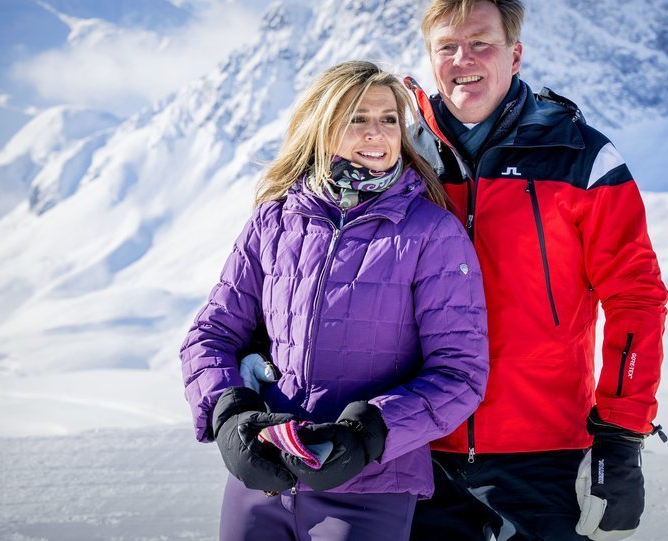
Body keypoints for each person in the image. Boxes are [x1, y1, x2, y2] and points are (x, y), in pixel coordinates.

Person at [179, 60, 489, 541]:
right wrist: (229, 415)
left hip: (370, 487)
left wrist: (367, 436)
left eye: (389, 119)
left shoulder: (431, 234)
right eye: (357, 118)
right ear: (321, 127)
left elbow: (460, 373)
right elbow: (211, 335)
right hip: (263, 480)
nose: (377, 133)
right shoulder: (275, 222)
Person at [405, 0, 668, 541]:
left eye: (481, 43)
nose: (463, 60)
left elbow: (636, 297)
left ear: (515, 53)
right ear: (430, 59)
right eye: (447, 47)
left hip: (544, 455)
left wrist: (621, 434)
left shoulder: (581, 155)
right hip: (418, 449)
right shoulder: (400, 160)